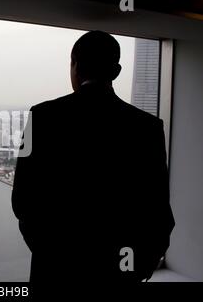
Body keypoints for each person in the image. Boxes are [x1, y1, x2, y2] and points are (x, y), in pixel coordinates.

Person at [11, 30, 175, 283]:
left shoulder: (42, 117)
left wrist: (50, 254)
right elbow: (158, 212)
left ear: (74, 66)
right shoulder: (148, 127)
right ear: (117, 71)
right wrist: (139, 269)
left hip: (56, 269)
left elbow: (23, 200)